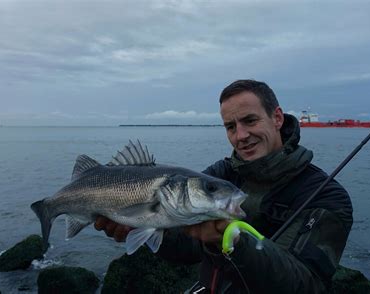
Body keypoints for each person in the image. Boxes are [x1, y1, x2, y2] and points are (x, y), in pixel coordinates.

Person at [95, 79, 353, 293]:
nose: (240, 135)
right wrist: (143, 226)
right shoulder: (222, 173)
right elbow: (189, 247)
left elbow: (308, 287)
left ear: (277, 118)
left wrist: (233, 242)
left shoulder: (327, 196)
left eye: (250, 121)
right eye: (231, 126)